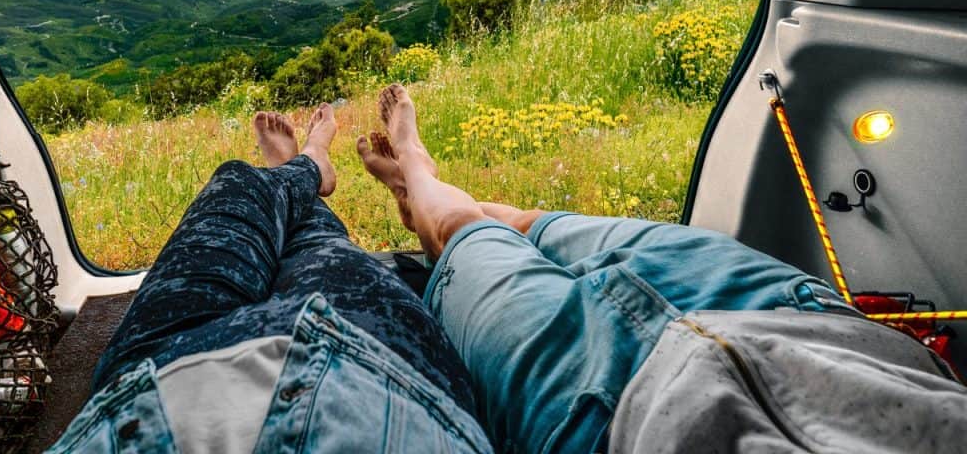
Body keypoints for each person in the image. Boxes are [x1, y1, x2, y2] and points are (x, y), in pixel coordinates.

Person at [360, 83, 967, 454]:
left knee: (462, 234)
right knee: (529, 222)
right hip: (805, 322)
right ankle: (424, 192)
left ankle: (418, 174)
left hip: (603, 418)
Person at [45, 103, 493, 453]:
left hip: (156, 376)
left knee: (238, 184)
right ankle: (311, 166)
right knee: (316, 242)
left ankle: (306, 167)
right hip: (377, 371)